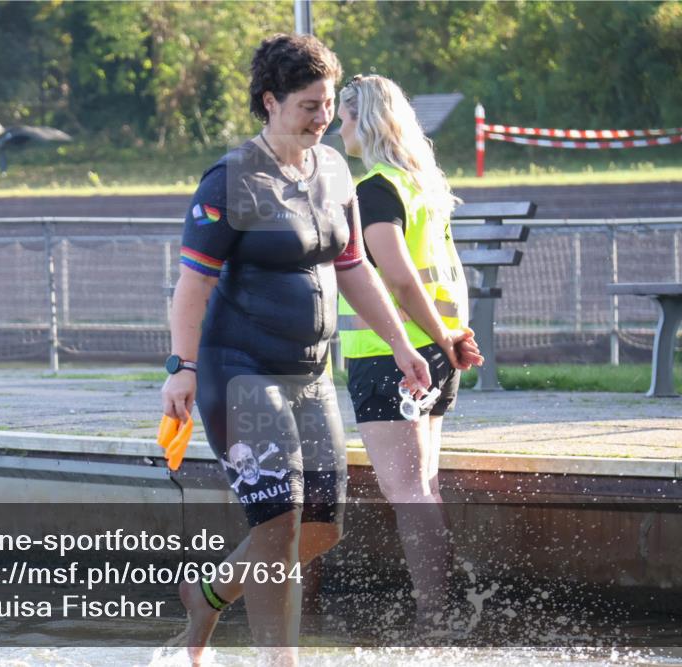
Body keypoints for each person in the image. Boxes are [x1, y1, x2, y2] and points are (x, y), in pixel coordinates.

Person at [161, 35, 436, 666]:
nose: (323, 118)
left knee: (320, 528)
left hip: (310, 375)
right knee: (277, 526)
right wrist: (182, 367)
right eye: (309, 106)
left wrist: (401, 344)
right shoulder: (231, 180)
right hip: (240, 371)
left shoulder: (334, 171)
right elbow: (193, 284)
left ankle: (206, 596)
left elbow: (354, 267)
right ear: (270, 101)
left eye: (328, 105)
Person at [335, 74, 484, 629]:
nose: (339, 130)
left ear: (366, 121)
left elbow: (398, 276)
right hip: (437, 351)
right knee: (425, 486)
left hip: (393, 356)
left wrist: (440, 340)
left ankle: (432, 616)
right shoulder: (421, 185)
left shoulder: (375, 189)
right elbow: (444, 273)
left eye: (345, 119)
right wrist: (452, 338)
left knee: (407, 490)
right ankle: (446, 609)